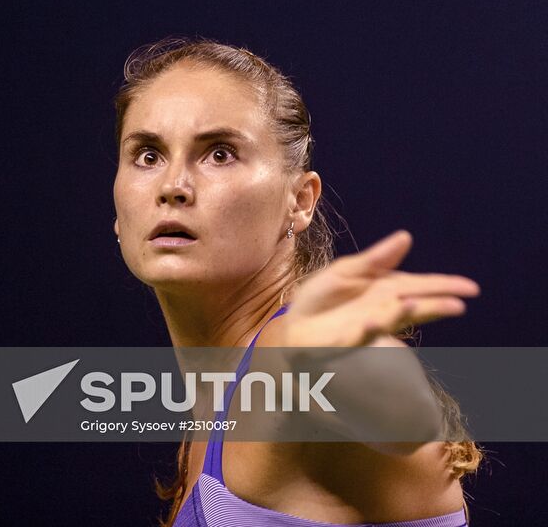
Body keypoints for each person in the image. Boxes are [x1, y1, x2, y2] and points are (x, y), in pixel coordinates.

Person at [112, 37, 483, 527]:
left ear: (300, 201)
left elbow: (374, 401)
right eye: (148, 155)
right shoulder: (214, 403)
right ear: (117, 213)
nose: (173, 187)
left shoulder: (283, 356)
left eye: (220, 154)